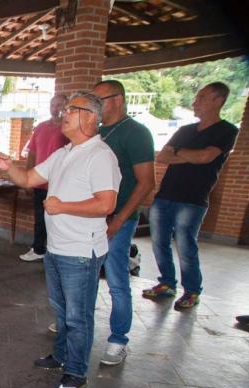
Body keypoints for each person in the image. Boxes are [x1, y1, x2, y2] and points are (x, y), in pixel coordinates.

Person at [0, 91, 121, 388]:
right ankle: (62, 355)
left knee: (79, 316)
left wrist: (63, 206)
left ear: (90, 117)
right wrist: (9, 166)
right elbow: (28, 179)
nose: (64, 113)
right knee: (61, 310)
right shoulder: (65, 153)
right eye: (65, 108)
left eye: (71, 109)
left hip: (81, 252)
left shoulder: (100, 155)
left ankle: (77, 371)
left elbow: (107, 204)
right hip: (57, 247)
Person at [143, 82, 239, 310]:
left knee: (186, 245)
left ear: (218, 100)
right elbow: (162, 156)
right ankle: (166, 283)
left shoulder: (227, 131)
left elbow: (206, 157)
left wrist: (179, 152)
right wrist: (188, 155)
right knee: (159, 242)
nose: (195, 102)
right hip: (166, 194)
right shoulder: (186, 130)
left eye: (202, 98)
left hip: (193, 198)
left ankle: (192, 290)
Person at [91, 80, 155, 366]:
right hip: (91, 217)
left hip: (118, 217)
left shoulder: (136, 133)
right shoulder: (97, 133)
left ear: (118, 99)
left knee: (116, 279)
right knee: (85, 275)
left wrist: (120, 219)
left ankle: (118, 339)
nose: (96, 108)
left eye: (99, 101)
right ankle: (77, 324)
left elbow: (146, 182)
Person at [19, 94, 68, 262]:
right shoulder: (40, 127)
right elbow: (32, 153)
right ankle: (39, 248)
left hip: (59, 183)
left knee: (58, 219)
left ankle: (56, 251)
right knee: (40, 217)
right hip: (40, 181)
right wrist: (27, 175)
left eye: (59, 105)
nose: (55, 108)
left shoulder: (67, 129)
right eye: (52, 105)